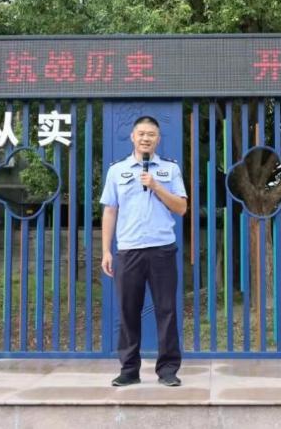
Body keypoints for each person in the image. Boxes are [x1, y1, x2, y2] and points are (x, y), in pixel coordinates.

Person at [100, 115, 188, 387]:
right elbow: (110, 210)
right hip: (129, 251)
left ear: (158, 139)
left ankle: (168, 370)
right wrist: (106, 250)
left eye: (151, 134)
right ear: (133, 137)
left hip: (162, 250)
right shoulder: (117, 171)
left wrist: (157, 186)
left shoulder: (170, 170)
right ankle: (129, 370)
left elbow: (181, 207)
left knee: (166, 311)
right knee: (128, 312)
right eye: (141, 133)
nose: (146, 138)